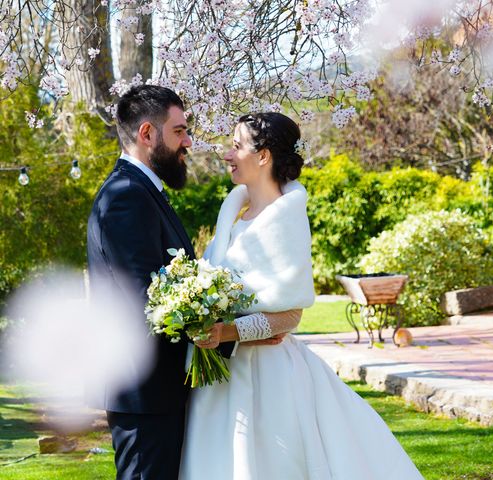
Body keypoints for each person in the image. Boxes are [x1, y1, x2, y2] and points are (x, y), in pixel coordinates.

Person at [180, 112, 423, 479]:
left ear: (263, 156)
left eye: (236, 147)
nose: (227, 156)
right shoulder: (232, 215)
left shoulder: (286, 218)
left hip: (269, 377)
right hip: (222, 377)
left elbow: (290, 315)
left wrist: (226, 333)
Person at [86, 85, 275, 479]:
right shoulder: (125, 196)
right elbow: (148, 298)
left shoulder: (145, 192)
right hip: (144, 390)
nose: (188, 141)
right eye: (179, 131)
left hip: (161, 389)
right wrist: (235, 330)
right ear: (147, 135)